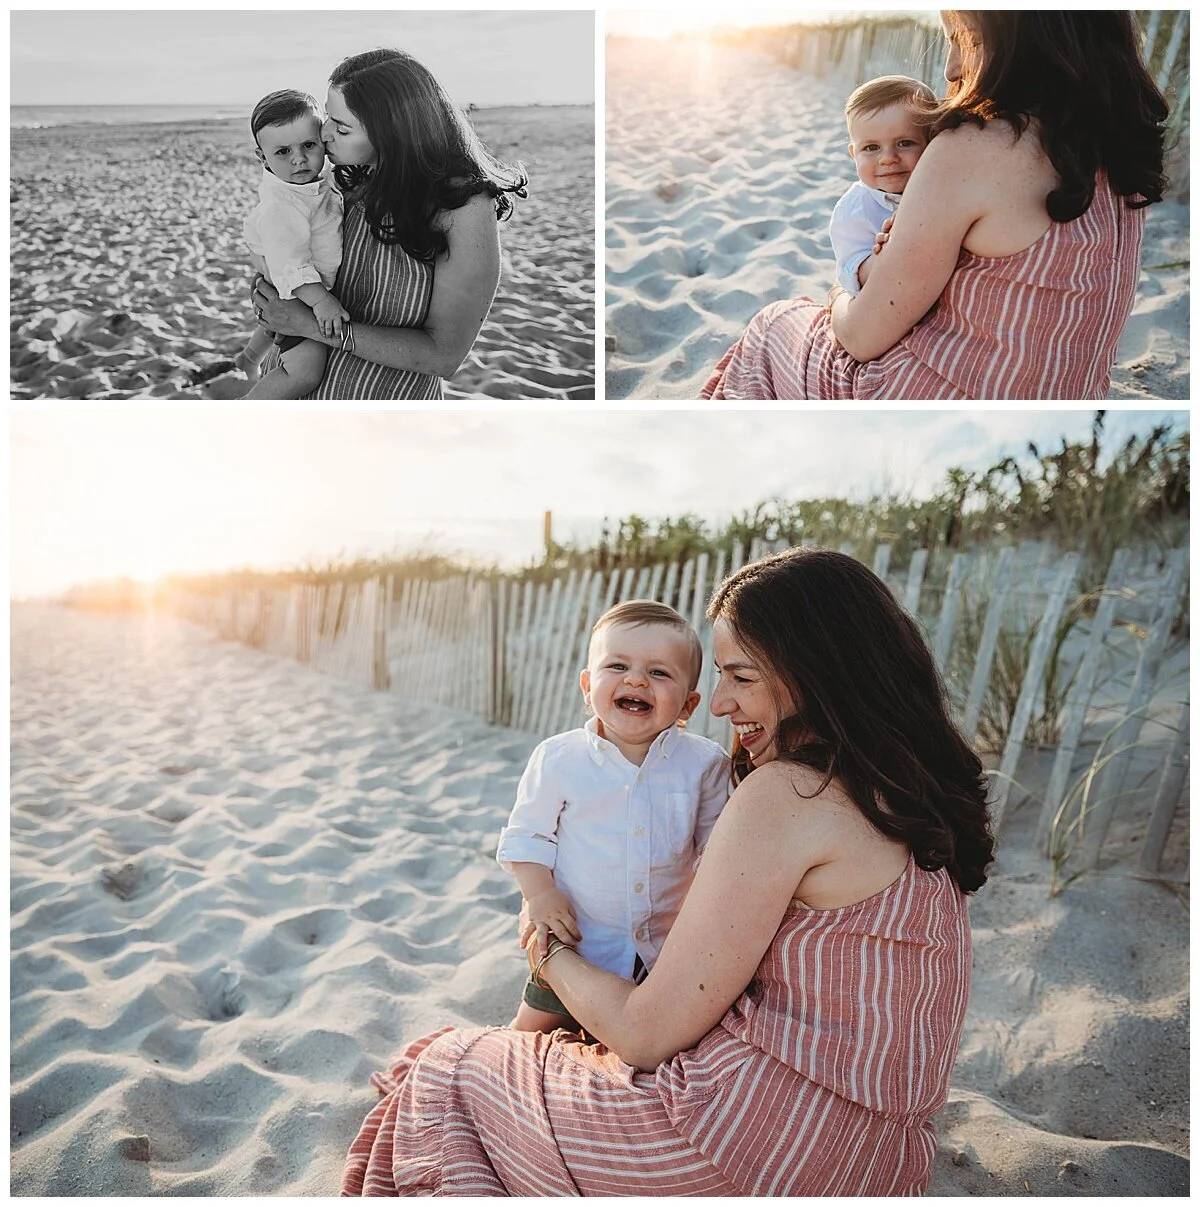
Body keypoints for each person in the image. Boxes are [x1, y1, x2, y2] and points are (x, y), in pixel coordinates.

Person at [340, 547, 995, 1196]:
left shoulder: (789, 795)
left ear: (811, 671)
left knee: (448, 1064)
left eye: (740, 677)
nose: (720, 703)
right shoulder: (906, 793)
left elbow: (645, 1035)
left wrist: (548, 951)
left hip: (749, 1156)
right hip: (876, 1159)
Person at [702, 11, 1168, 400]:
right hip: (1069, 392)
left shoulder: (975, 148)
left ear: (1034, 38)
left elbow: (861, 338)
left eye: (968, 40)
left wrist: (837, 296)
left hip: (933, 393)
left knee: (772, 323)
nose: (950, 68)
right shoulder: (1122, 150)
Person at [497, 601, 729, 1034]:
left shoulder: (704, 764)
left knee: (653, 1040)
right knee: (531, 1030)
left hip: (663, 954)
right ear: (588, 686)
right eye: (618, 666)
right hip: (579, 945)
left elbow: (715, 851)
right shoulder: (559, 758)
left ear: (688, 704)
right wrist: (540, 895)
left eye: (659, 672)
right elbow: (527, 837)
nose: (636, 679)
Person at [251, 49, 528, 399]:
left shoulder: (465, 207)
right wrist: (269, 294)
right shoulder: (346, 180)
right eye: (328, 117)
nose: (325, 134)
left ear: (392, 133)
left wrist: (311, 326)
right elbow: (285, 254)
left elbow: (444, 355)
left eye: (342, 127)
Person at [235, 90, 348, 398]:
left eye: (308, 145)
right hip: (302, 290)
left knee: (272, 314)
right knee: (305, 372)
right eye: (283, 152)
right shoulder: (282, 207)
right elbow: (291, 268)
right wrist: (321, 303)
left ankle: (250, 357)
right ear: (263, 158)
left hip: (291, 275)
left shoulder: (308, 182)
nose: (299, 159)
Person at [830, 75, 936, 295]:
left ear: (932, 143)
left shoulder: (943, 190)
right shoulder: (854, 211)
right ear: (854, 154)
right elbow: (851, 275)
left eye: (904, 143)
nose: (888, 159)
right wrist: (885, 255)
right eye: (871, 148)